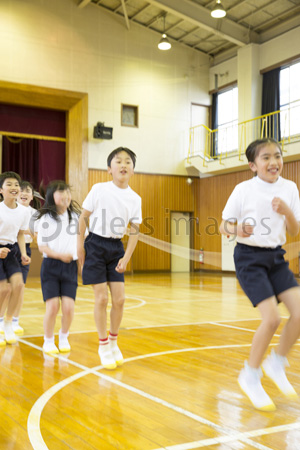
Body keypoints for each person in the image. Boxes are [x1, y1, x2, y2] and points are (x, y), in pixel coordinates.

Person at [220, 138, 300, 411]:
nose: (273, 162)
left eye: (277, 156)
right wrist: (237, 230)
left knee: (299, 313)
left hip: (276, 258)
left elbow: (294, 230)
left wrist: (287, 210)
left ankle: (276, 363)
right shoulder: (243, 189)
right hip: (249, 259)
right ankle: (250, 374)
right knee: (273, 318)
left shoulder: (290, 188)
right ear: (253, 165)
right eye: (265, 157)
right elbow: (223, 225)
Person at [77, 147, 142, 369]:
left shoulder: (135, 198)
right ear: (109, 169)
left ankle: (114, 342)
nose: (123, 165)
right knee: (101, 299)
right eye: (118, 161)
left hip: (116, 247)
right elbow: (83, 218)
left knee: (120, 299)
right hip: (95, 244)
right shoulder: (99, 189)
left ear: (133, 170)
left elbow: (134, 230)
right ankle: (103, 344)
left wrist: (127, 257)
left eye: (128, 162)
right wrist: (80, 247)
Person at [36, 181, 81, 355]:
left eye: (67, 192)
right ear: (51, 197)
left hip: (70, 267)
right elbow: (43, 247)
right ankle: (48, 340)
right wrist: (61, 256)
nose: (65, 196)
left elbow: (82, 242)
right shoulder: (45, 218)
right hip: (51, 267)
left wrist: (82, 263)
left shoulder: (77, 217)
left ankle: (63, 336)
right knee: (53, 307)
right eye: (60, 192)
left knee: (69, 307)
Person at [0, 171, 31, 346]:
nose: (14, 188)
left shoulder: (24, 212)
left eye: (16, 185)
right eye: (9, 185)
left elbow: (20, 234)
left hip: (11, 250)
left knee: (18, 285)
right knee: (3, 289)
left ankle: (8, 322)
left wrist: (24, 253)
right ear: (1, 190)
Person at [8, 181, 40, 335]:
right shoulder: (9, 209)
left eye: (28, 191)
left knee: (20, 287)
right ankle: (3, 320)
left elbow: (36, 233)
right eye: (21, 190)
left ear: (32, 196)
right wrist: (28, 230)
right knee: (6, 287)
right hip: (9, 247)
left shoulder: (35, 214)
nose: (24, 193)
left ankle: (15, 320)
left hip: (25, 249)